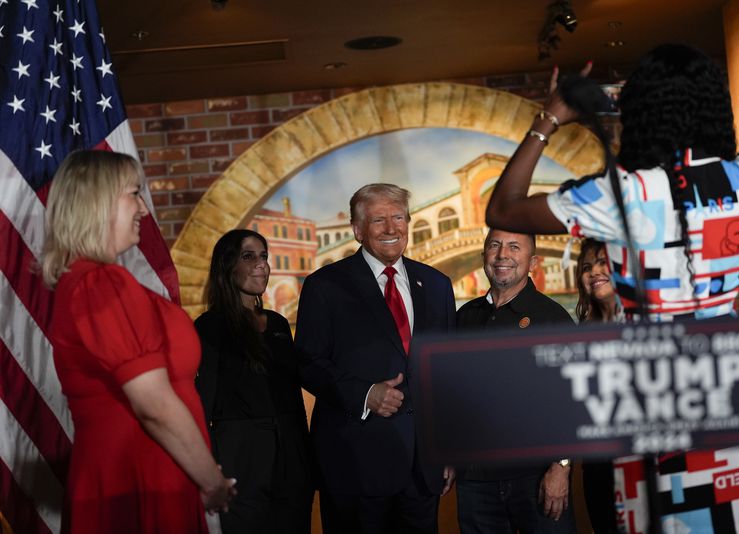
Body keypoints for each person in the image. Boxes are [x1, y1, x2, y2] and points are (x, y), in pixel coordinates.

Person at [485, 43, 739, 533]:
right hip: (737, 392)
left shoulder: (620, 193)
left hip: (655, 395)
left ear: (642, 112)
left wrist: (549, 117)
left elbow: (503, 210)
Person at [43, 150, 236, 533]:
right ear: (98, 203)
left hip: (147, 473)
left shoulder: (88, 282)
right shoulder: (100, 284)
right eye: (134, 193)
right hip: (138, 480)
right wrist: (212, 482)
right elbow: (154, 403)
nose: (143, 209)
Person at [295, 183, 457, 533]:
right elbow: (307, 362)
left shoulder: (438, 284)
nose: (391, 228)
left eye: (398, 217)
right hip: (355, 469)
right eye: (378, 219)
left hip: (421, 469)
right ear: (357, 230)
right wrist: (365, 394)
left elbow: (446, 373)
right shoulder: (325, 286)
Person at [455, 228, 576, 534]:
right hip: (475, 482)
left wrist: (560, 468)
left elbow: (573, 401)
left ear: (533, 261)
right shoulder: (464, 318)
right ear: (484, 256)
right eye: (494, 246)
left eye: (513, 247)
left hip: (537, 478)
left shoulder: (553, 318)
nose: (502, 255)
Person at [194, 229, 313, 533]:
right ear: (227, 265)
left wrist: (305, 456)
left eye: (264, 257)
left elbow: (292, 393)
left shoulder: (277, 323)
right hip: (240, 457)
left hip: (291, 455)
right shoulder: (209, 326)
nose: (261, 264)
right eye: (249, 256)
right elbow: (203, 398)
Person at [574, 238, 617, 534]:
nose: (594, 272)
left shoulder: (650, 321)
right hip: (598, 466)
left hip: (645, 464)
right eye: (587, 267)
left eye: (603, 263)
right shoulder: (582, 331)